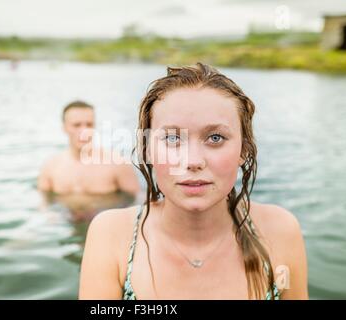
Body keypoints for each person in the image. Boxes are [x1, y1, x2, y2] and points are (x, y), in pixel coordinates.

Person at [79, 63, 308, 299]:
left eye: (215, 137)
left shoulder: (280, 231)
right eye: (172, 138)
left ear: (244, 150)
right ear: (147, 150)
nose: (193, 161)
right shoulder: (112, 234)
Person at [37, 100, 141, 221]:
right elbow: (43, 200)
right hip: (67, 221)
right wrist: (48, 216)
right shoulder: (50, 166)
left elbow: (137, 199)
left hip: (106, 221)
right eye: (76, 125)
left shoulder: (117, 163)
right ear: (64, 128)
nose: (84, 130)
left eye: (89, 124)